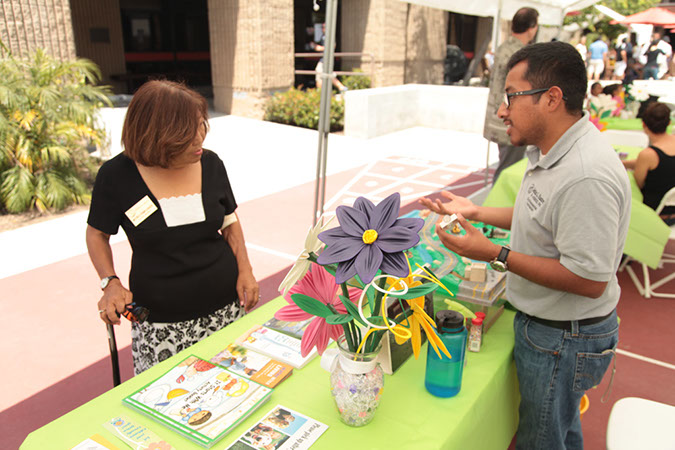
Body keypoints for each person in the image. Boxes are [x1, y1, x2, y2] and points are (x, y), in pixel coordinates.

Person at [421, 41, 630, 449]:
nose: (502, 111)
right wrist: (477, 212)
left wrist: (495, 254)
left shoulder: (585, 175)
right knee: (558, 429)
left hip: (564, 339)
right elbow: (541, 213)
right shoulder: (553, 150)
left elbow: (589, 280)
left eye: (511, 97)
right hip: (550, 330)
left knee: (542, 440)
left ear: (552, 99)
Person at [86, 80, 259, 375]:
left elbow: (229, 221)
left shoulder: (211, 163)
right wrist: (110, 282)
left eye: (201, 126)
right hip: (159, 322)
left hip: (225, 308)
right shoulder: (116, 176)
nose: (199, 140)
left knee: (231, 388)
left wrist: (246, 269)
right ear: (156, 137)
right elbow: (97, 234)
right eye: (186, 134)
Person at [483, 7, 539, 184]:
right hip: (511, 120)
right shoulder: (521, 55)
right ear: (531, 28)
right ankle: (494, 206)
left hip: (497, 117)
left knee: (505, 166)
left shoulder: (503, 48)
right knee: (508, 171)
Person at [622, 102, 675, 224]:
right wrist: (624, 163)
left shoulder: (648, 155)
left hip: (657, 212)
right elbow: (662, 164)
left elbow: (639, 184)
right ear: (668, 123)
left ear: (644, 125)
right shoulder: (652, 154)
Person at [312, 23, 347, 92]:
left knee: (326, 74)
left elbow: (332, 47)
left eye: (324, 27)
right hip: (323, 59)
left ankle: (341, 87)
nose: (323, 29)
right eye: (322, 27)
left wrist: (319, 48)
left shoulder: (330, 36)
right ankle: (322, 92)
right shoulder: (323, 36)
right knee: (322, 74)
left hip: (327, 60)